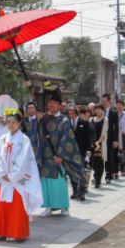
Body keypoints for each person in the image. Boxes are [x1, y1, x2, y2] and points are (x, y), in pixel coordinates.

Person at [0, 108, 43, 242]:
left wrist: (12, 175)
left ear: (19, 123)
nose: (11, 125)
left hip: (17, 180)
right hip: (2, 178)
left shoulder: (24, 140)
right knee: (1, 206)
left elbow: (24, 160)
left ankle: (16, 233)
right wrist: (0, 173)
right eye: (9, 122)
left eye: (14, 122)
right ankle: (1, 231)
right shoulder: (2, 139)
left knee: (17, 206)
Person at [37, 88, 84, 217]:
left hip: (58, 157)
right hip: (46, 158)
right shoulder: (44, 119)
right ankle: (48, 207)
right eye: (49, 102)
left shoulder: (64, 120)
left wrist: (60, 156)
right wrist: (39, 121)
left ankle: (64, 207)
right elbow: (39, 136)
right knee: (46, 182)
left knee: (59, 183)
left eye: (53, 102)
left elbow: (67, 139)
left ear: (59, 105)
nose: (51, 104)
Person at [67, 105, 91, 200]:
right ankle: (75, 191)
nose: (70, 115)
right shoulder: (67, 123)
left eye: (72, 113)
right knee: (72, 172)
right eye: (69, 113)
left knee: (81, 171)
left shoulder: (84, 122)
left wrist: (88, 151)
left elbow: (88, 138)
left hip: (81, 150)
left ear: (76, 113)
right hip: (70, 152)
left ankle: (82, 192)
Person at [101, 94, 119, 181]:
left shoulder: (114, 112)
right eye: (102, 101)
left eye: (104, 101)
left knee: (109, 156)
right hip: (100, 138)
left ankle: (109, 175)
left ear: (109, 101)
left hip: (110, 138)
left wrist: (116, 140)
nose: (103, 103)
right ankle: (98, 175)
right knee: (100, 157)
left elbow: (116, 127)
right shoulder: (100, 111)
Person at [90, 104, 108, 187]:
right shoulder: (91, 119)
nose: (97, 111)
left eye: (99, 109)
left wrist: (98, 142)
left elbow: (104, 133)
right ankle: (95, 176)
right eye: (96, 109)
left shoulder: (105, 119)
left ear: (102, 110)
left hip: (100, 143)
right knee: (92, 162)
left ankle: (98, 180)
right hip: (92, 143)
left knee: (99, 162)